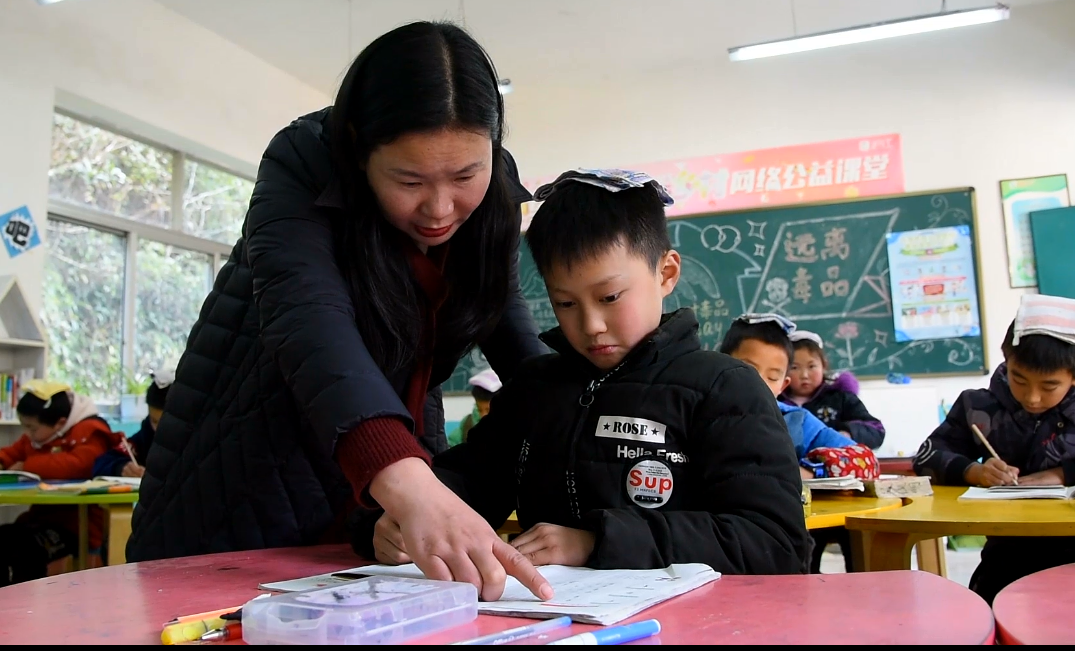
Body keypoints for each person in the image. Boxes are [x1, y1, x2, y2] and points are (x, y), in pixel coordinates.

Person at [126, 21, 553, 602]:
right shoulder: (304, 162)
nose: (440, 207)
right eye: (408, 180)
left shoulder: (496, 192)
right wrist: (405, 479)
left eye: (465, 175)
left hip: (381, 504)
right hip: (245, 474)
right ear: (358, 148)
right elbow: (309, 323)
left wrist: (579, 415)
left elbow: (511, 330)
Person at [361, 170, 810, 574]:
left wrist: (597, 542)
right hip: (555, 619)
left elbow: (775, 544)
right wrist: (401, 518)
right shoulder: (534, 390)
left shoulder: (724, 388)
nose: (591, 325)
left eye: (610, 297)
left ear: (666, 273)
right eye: (566, 303)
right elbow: (469, 482)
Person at [914, 294, 1075, 605]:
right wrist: (974, 470)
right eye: (1019, 379)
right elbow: (926, 456)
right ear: (1006, 361)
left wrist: (1062, 473)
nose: (1033, 398)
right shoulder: (980, 406)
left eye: (1049, 386)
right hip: (1006, 556)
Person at [719, 315, 870, 574]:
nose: (758, 383)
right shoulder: (697, 412)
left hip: (778, 544)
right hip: (715, 543)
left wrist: (812, 470)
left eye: (773, 376)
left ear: (784, 384)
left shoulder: (795, 420)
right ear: (718, 365)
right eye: (747, 369)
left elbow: (864, 460)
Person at [0, 380, 121, 585]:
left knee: (24, 551)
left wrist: (26, 466)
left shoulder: (90, 432)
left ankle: (20, 606)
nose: (28, 434)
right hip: (40, 519)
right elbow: (11, 454)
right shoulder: (38, 437)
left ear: (59, 423)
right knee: (6, 539)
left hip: (79, 525)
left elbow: (78, 465)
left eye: (32, 428)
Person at [781, 330, 885, 449]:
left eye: (811, 366)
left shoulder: (841, 398)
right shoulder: (775, 402)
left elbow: (876, 429)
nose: (804, 375)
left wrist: (847, 434)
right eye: (794, 367)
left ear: (823, 366)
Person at [93, 370, 174, 478]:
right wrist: (121, 467)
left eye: (167, 424)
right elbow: (101, 463)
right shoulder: (145, 436)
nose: (159, 430)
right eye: (154, 421)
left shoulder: (198, 440)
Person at [447, 368, 500, 447]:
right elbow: (450, 445)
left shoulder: (516, 426)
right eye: (479, 409)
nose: (483, 415)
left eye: (488, 410)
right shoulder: (468, 424)